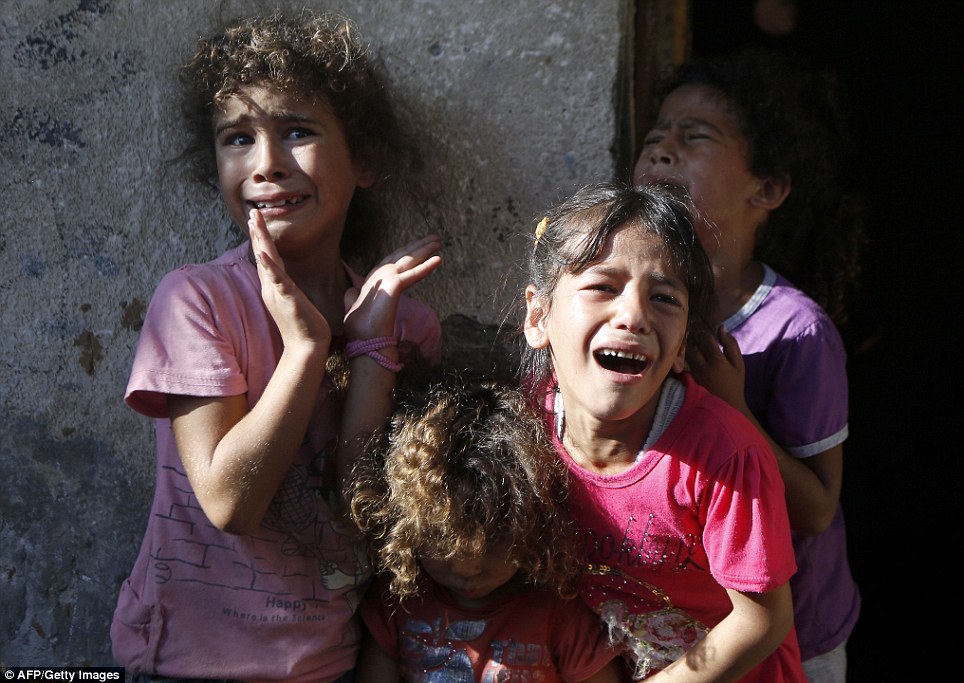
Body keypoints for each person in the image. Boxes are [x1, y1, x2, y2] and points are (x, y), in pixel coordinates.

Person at [110, 11, 443, 683]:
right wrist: (305, 350)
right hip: (182, 663)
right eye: (238, 138)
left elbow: (366, 513)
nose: (265, 164)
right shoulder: (195, 300)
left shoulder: (407, 327)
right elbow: (231, 503)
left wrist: (371, 340)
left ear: (366, 159)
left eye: (297, 131)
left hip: (326, 665)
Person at [632, 49, 862, 683]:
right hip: (689, 639)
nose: (662, 150)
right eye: (654, 137)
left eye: (693, 137)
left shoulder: (793, 331)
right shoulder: (631, 313)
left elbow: (815, 510)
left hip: (795, 638)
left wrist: (729, 405)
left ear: (766, 188)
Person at [521, 182, 806, 682]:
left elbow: (762, 619)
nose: (633, 316)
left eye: (663, 298)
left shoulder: (724, 455)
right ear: (538, 315)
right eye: (603, 287)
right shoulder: (523, 431)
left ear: (680, 350)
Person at [347, 378, 624, 683]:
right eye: (442, 539)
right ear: (409, 525)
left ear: (532, 524)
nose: (468, 567)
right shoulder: (399, 602)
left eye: (494, 539)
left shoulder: (560, 613)